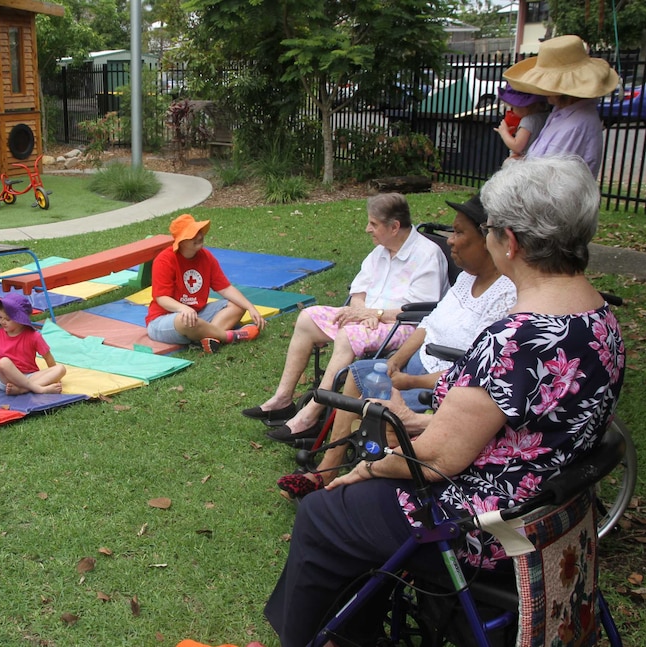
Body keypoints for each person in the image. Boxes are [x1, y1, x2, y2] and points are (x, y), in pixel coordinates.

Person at [263, 156, 625, 647]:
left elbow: (434, 462)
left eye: (490, 229)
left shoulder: (516, 338)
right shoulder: (601, 320)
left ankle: (318, 640)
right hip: (545, 512)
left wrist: (367, 465)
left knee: (324, 514)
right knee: (352, 505)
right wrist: (414, 417)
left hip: (483, 527)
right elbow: (517, 425)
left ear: (511, 242)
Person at [276, 194, 516, 499]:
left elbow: (472, 371)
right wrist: (397, 360)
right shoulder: (468, 280)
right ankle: (328, 468)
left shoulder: (507, 295)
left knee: (375, 400)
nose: (451, 241)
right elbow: (430, 322)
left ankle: (360, 481)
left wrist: (408, 379)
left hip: (441, 386)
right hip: (414, 362)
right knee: (358, 372)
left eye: (459, 233)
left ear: (487, 240)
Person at [242, 193, 450, 442]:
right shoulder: (381, 251)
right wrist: (360, 311)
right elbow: (359, 290)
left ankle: (310, 414)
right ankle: (283, 399)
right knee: (308, 318)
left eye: (373, 224)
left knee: (347, 336)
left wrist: (374, 314)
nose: (367, 229)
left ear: (394, 227)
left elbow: (422, 309)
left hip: (402, 326)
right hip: (368, 318)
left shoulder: (427, 255)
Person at [146, 213, 265, 353]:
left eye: (199, 231)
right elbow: (162, 298)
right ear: (181, 241)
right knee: (184, 320)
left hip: (197, 314)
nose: (199, 236)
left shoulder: (206, 257)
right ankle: (231, 336)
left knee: (238, 305)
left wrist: (250, 307)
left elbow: (226, 288)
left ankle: (208, 339)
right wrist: (182, 308)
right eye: (192, 234)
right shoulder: (165, 260)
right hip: (164, 320)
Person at [504, 34, 620, 177]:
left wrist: (515, 166)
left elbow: (548, 179)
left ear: (561, 89)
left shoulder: (576, 125)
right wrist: (522, 161)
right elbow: (542, 161)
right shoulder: (561, 114)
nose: (541, 90)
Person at [0, 292, 66, 395]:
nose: (2, 322)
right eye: (0, 317)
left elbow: (48, 357)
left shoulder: (34, 336)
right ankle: (39, 389)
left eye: (7, 319)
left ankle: (23, 390)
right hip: (8, 380)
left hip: (30, 376)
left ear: (20, 319)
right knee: (3, 362)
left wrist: (54, 377)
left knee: (61, 369)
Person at [494, 83, 549, 160]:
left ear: (524, 106)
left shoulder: (527, 121)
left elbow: (517, 146)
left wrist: (504, 132)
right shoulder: (546, 116)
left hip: (523, 161)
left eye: (513, 107)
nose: (512, 110)